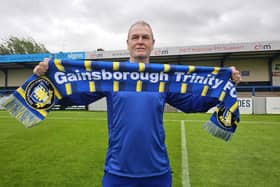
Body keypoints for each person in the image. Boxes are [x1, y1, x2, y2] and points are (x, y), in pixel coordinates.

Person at [33, 21, 241, 187]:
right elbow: (75, 97)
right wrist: (48, 77)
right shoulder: (111, 76)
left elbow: (192, 103)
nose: (140, 41)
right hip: (117, 173)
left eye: (145, 37)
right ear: (128, 43)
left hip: (158, 173)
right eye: (135, 37)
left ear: (152, 43)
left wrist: (224, 85)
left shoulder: (163, 78)